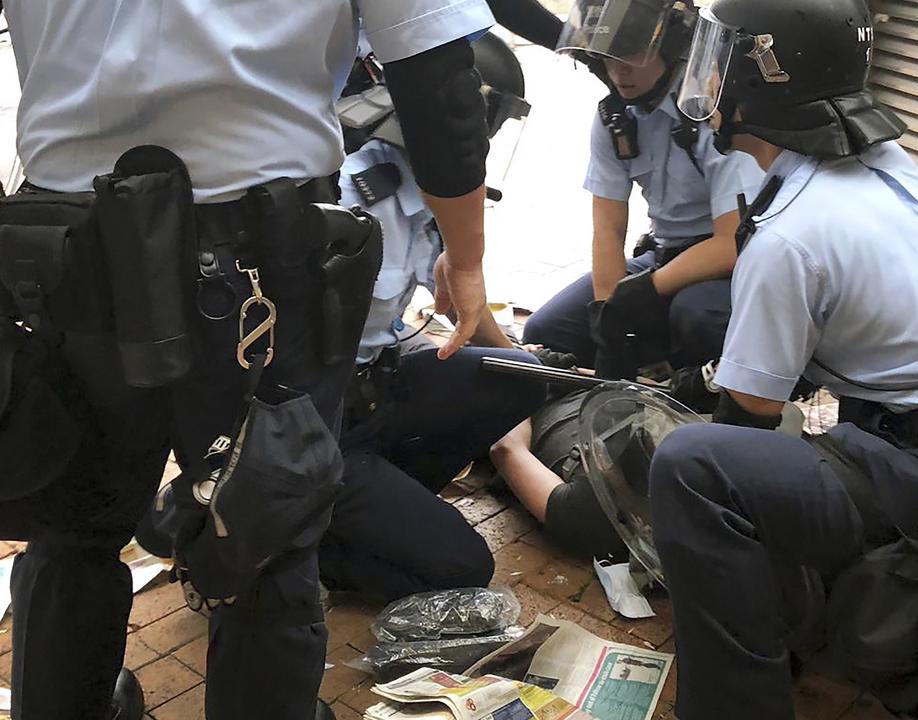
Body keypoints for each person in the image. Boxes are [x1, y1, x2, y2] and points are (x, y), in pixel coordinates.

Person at [0, 2, 499, 719]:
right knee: (265, 536)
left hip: (66, 240)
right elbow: (437, 77)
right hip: (253, 251)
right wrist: (469, 252)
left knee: (71, 533)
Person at [646, 0, 918, 717]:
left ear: (764, 78)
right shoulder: (874, 160)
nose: (709, 77)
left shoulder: (792, 237)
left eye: (723, 60)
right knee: (722, 348)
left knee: (693, 470)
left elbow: (745, 423)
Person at [318, 32, 546, 600]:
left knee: (518, 380)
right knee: (464, 568)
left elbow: (462, 302)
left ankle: (389, 502)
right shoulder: (352, 193)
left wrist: (532, 363)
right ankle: (306, 547)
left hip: (376, 387)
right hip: (318, 425)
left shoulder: (435, 192)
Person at [520, 0, 764, 381]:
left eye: (631, 53)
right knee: (548, 332)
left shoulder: (711, 112)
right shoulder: (614, 121)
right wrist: (607, 314)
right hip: (663, 255)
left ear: (670, 46)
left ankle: (711, 398)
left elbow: (732, 241)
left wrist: (645, 291)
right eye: (606, 56)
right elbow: (608, 229)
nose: (617, 71)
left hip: (735, 264)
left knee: (697, 316)